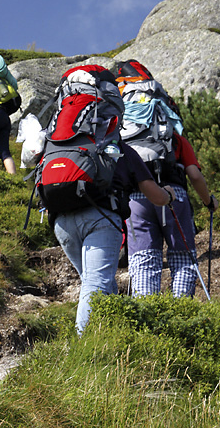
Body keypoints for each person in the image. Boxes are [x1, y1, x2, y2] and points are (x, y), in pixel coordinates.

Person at [52, 138, 176, 334]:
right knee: (95, 284)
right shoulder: (122, 150)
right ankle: (83, 347)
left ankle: (114, 335)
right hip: (101, 219)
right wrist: (169, 195)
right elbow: (156, 197)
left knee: (98, 282)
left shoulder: (64, 146)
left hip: (61, 221)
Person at [125, 132, 218, 297]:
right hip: (174, 197)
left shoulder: (126, 139)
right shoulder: (176, 140)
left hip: (137, 200)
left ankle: (146, 310)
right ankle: (182, 311)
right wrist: (208, 201)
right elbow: (195, 176)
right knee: (182, 257)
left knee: (143, 258)